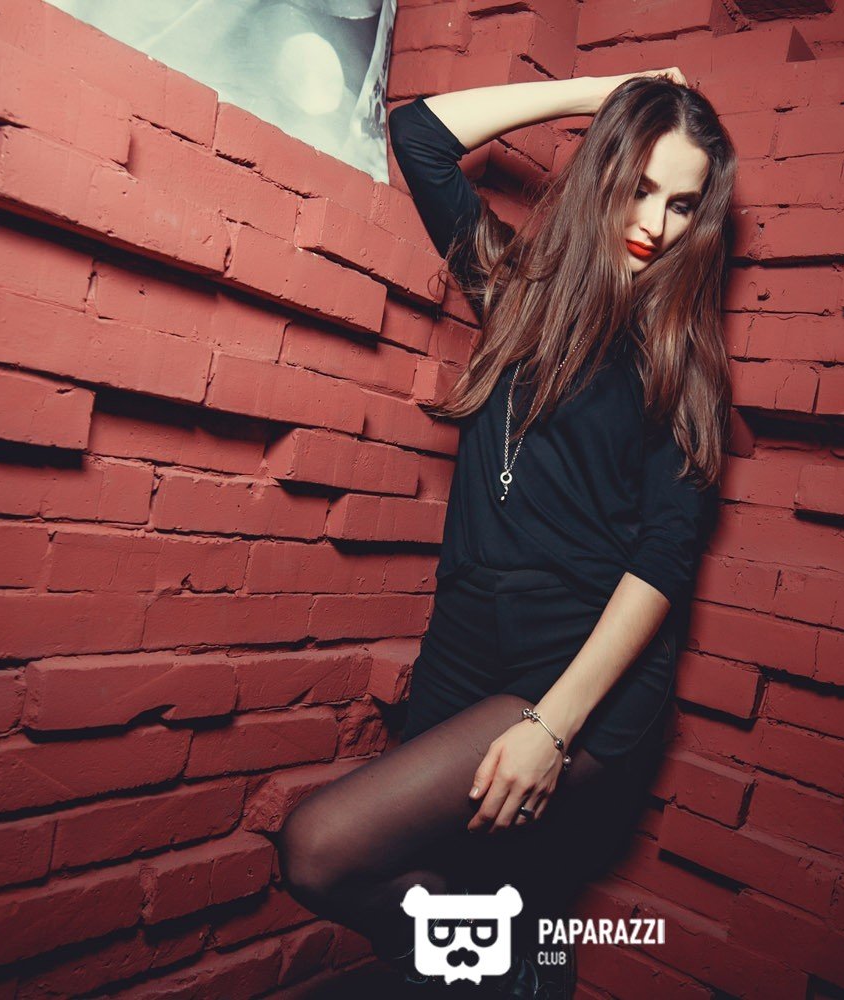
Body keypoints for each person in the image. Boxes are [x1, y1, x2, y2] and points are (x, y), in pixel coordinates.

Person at [274, 69, 736, 998]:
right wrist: (605, 91)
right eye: (640, 186)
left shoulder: (678, 359)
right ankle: (509, 958)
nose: (656, 223)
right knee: (458, 899)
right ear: (604, 170)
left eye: (683, 204)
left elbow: (663, 561)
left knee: (318, 848)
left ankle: (510, 959)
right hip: (468, 641)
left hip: (583, 674)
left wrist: (551, 730)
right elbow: (419, 137)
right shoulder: (515, 291)